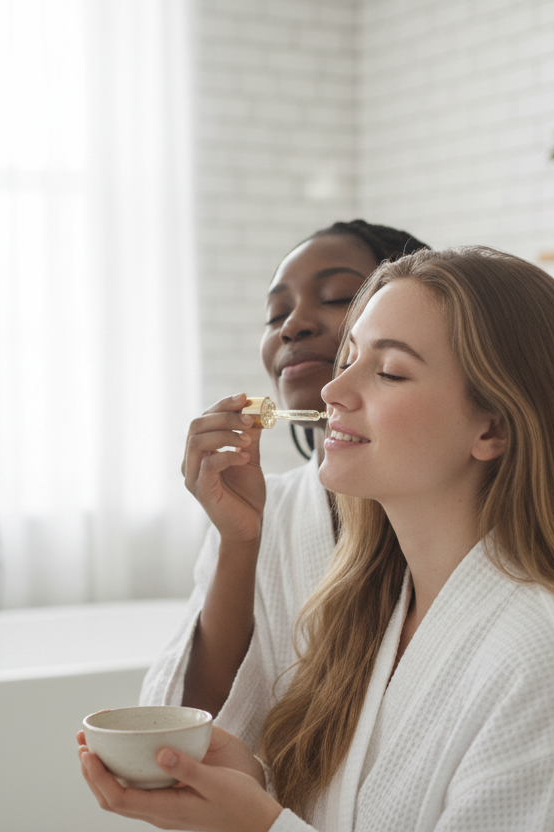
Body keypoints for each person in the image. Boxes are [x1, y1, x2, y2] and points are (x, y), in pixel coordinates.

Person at [79, 247, 554, 832]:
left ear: (494, 428)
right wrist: (256, 788)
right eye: (348, 359)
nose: (332, 391)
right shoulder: (381, 617)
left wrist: (260, 826)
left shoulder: (553, 662)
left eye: (391, 371)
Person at [142, 221, 427, 748]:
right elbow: (194, 726)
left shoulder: (447, 513)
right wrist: (239, 541)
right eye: (276, 314)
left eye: (340, 296)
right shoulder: (265, 509)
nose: (292, 325)